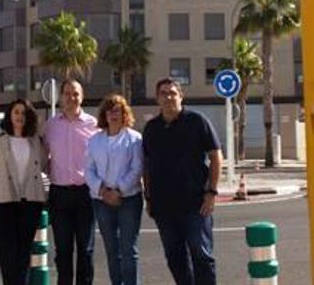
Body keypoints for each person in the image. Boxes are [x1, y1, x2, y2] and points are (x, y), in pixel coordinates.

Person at [143, 78, 222, 285]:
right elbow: (147, 165)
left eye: (172, 93)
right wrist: (149, 197)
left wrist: (211, 192)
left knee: (201, 254)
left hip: (196, 204)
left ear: (181, 96)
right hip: (164, 207)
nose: (168, 97)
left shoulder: (197, 121)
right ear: (157, 98)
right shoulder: (151, 128)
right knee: (174, 257)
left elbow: (215, 156)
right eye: (163, 93)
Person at [0, 99, 48, 285]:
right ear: (10, 115)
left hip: (30, 203)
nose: (20, 117)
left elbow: (43, 165)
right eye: (16, 112)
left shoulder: (35, 141)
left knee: (23, 253)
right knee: (8, 253)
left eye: (24, 113)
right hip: (2, 203)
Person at [85, 94, 144, 285]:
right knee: (112, 250)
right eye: (109, 111)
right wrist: (103, 191)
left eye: (117, 110)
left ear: (124, 113)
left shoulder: (135, 139)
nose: (113, 114)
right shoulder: (95, 140)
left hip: (128, 199)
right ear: (104, 115)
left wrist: (118, 190)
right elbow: (88, 169)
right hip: (101, 201)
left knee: (129, 250)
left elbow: (137, 168)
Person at [45, 79, 99, 285]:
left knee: (86, 250)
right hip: (59, 195)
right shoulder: (51, 126)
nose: (71, 97)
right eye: (67, 93)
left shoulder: (94, 125)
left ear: (82, 96)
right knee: (63, 250)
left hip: (85, 194)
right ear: (61, 97)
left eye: (75, 93)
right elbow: (43, 158)